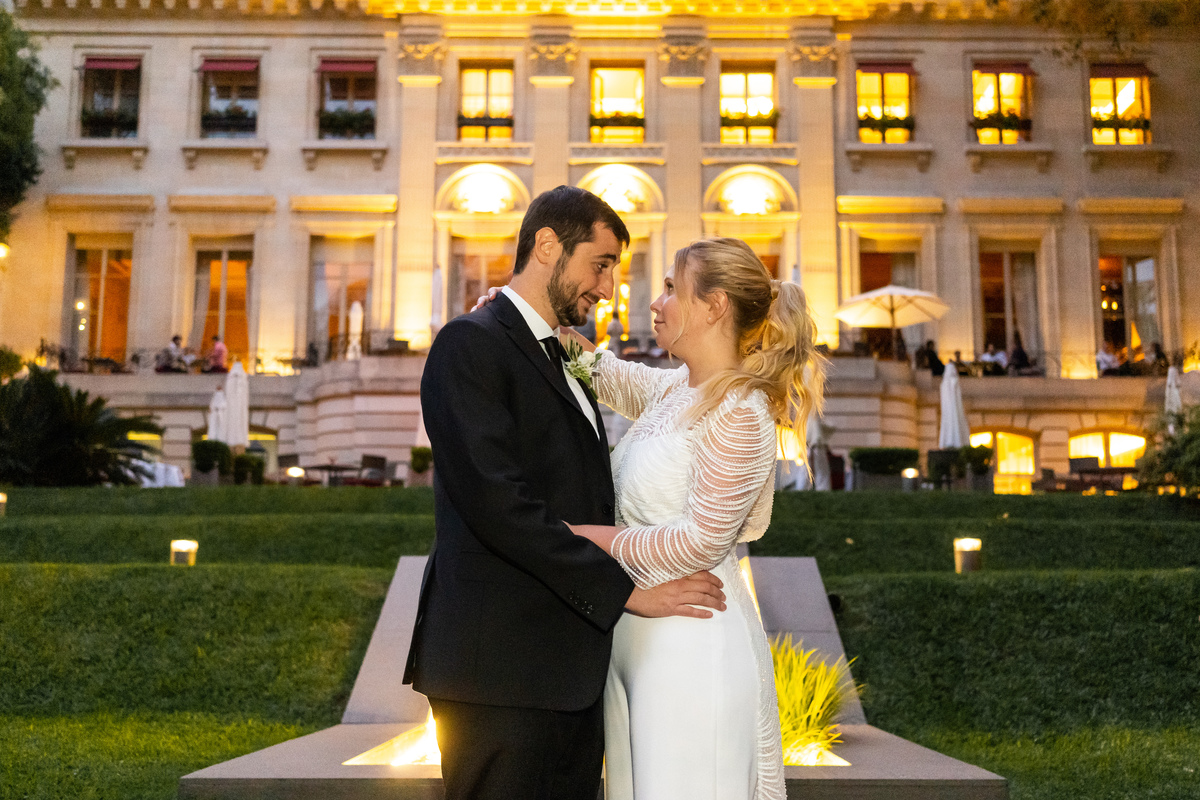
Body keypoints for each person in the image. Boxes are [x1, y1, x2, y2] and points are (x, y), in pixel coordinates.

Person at [405, 186, 726, 800]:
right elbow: (500, 506)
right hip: (499, 674)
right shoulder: (469, 344)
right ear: (548, 245)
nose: (608, 289)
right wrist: (627, 590)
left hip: (567, 675)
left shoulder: (560, 354)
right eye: (600, 264)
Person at [559, 238, 825, 800]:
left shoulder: (742, 413)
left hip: (693, 648)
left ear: (715, 306)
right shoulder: (678, 389)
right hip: (638, 644)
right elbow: (605, 372)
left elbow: (701, 542)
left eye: (672, 288)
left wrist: (588, 539)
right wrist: (526, 320)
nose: (655, 303)